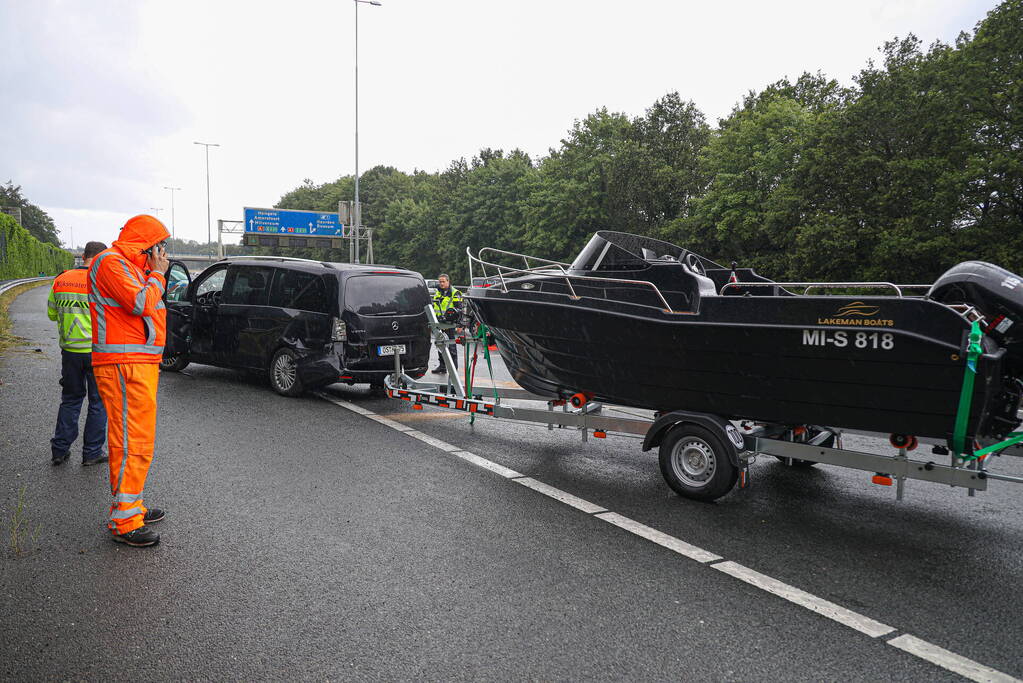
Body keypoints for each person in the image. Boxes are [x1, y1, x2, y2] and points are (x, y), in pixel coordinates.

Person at [88, 215, 170, 548]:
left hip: (137, 364)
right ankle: (125, 520)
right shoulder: (111, 262)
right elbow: (139, 303)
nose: (162, 252)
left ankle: (131, 505)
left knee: (139, 441)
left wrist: (153, 274)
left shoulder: (132, 268)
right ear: (145, 243)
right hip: (124, 365)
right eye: (159, 245)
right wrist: (158, 276)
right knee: (129, 442)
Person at [48, 241, 108, 467]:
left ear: (83, 255)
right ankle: (92, 453)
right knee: (98, 402)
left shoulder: (61, 279)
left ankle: (59, 450)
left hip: (70, 352)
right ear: (103, 259)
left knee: (71, 400)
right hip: (98, 352)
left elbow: (52, 314)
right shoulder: (103, 281)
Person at [431, 273, 462, 374]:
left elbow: (459, 310)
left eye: (443, 281)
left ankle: (454, 369)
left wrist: (460, 325)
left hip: (449, 324)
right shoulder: (438, 292)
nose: (441, 283)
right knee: (440, 345)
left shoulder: (455, 293)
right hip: (439, 323)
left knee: (451, 347)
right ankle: (442, 367)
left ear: (448, 281)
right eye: (440, 282)